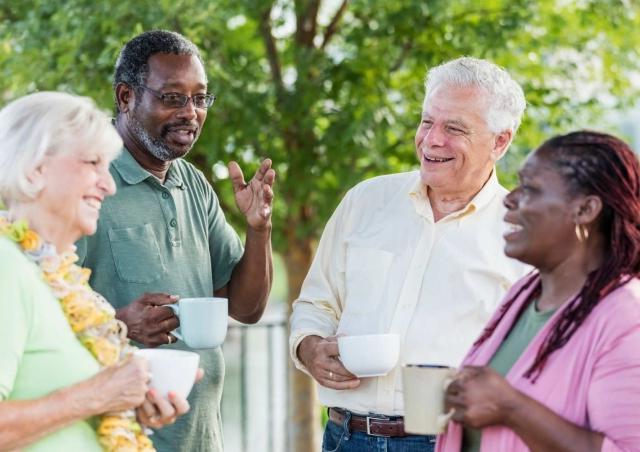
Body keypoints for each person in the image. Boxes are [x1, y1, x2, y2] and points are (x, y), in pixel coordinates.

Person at [289, 57, 530, 451]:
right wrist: (309, 347)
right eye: (426, 121)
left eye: (454, 128)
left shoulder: (522, 233)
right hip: (345, 437)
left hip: (454, 441)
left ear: (500, 141)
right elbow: (316, 301)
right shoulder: (365, 200)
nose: (432, 139)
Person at [76, 30, 275, 452]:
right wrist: (118, 324)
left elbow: (246, 307)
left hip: (202, 438)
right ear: (126, 97)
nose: (191, 113)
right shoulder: (87, 181)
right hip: (115, 439)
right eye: (172, 97)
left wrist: (259, 229)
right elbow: (37, 313)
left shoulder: (194, 184)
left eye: (200, 98)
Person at [0, 92, 192, 451]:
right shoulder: (6, 266)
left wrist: (130, 409)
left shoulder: (66, 279)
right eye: (92, 163)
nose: (109, 185)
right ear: (35, 168)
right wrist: (99, 395)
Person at [437, 131, 640, 451]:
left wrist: (511, 408)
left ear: (585, 210)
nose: (510, 198)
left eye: (530, 188)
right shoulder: (524, 292)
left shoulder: (626, 317)